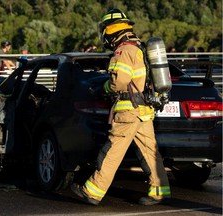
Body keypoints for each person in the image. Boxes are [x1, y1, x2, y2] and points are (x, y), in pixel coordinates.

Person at [71, 8, 171, 206]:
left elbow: (120, 82)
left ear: (110, 30)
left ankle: (92, 191)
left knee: (113, 150)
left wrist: (104, 87)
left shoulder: (123, 50)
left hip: (128, 110)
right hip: (144, 110)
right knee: (150, 151)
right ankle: (159, 190)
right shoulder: (139, 47)